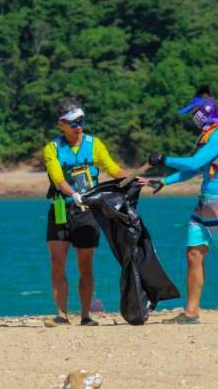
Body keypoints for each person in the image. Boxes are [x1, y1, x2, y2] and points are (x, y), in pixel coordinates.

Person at [149, 86, 218, 324]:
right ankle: (191, 311)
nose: (192, 118)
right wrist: (163, 181)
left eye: (194, 112)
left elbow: (195, 161)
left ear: (204, 112)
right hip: (204, 204)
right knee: (194, 253)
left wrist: (163, 159)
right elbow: (194, 169)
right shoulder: (206, 136)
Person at [44, 98, 147, 326]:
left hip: (88, 212)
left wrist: (133, 178)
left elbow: (112, 169)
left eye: (81, 121)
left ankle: (85, 315)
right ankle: (61, 314)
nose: (78, 126)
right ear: (61, 124)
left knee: (85, 264)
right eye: (72, 123)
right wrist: (73, 194)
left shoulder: (95, 144)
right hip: (61, 209)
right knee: (58, 262)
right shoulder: (52, 148)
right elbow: (58, 178)